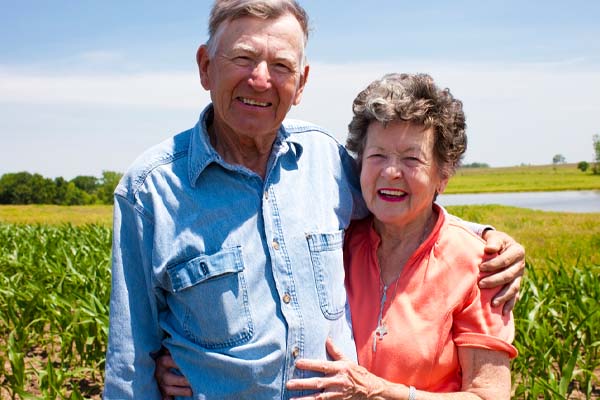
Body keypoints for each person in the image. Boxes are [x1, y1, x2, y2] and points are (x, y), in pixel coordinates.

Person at [104, 1, 524, 398]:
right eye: (243, 59)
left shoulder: (325, 161)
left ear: (301, 83)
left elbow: (402, 206)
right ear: (205, 67)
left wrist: (485, 239)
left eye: (281, 66)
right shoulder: (150, 191)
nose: (261, 79)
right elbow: (129, 359)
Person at [284, 73, 517, 399]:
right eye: (377, 156)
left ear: (443, 175)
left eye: (412, 159)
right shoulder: (337, 243)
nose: (391, 172)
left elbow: (489, 395)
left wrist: (385, 392)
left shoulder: (480, 265)